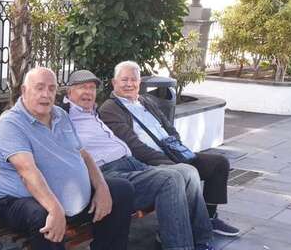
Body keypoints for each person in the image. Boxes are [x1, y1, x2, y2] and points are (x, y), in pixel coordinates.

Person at [64, 69, 236, 250]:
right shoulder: (64, 115)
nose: (88, 92)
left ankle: (199, 245)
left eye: (91, 88)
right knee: (170, 179)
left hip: (132, 164)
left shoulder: (93, 112)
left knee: (187, 171)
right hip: (109, 173)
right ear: (69, 92)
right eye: (82, 87)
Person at [0, 67, 138, 250]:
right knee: (42, 216)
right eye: (39, 88)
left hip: (67, 199)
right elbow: (27, 172)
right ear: (24, 91)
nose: (46, 94)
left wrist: (102, 186)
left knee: (122, 189)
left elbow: (83, 154)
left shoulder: (60, 115)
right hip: (18, 201)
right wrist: (55, 208)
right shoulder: (11, 123)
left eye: (51, 89)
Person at [99, 61, 241, 238]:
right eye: (124, 80)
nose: (129, 84)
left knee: (219, 163)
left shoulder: (145, 101)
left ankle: (210, 217)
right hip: (149, 161)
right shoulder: (110, 109)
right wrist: (169, 161)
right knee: (184, 172)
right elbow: (134, 147)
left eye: (133, 79)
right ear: (114, 82)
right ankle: (174, 230)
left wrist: (178, 150)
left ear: (139, 82)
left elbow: (169, 128)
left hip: (172, 153)